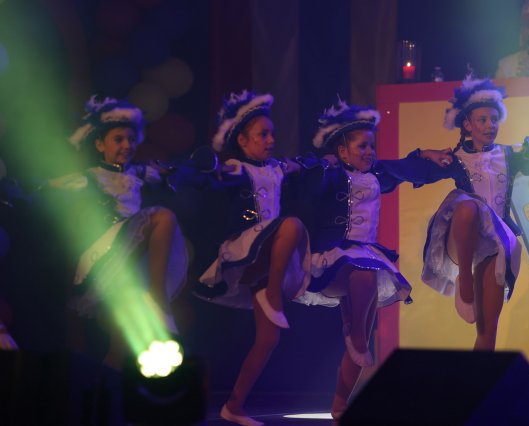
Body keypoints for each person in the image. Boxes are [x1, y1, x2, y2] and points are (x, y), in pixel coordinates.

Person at [381, 77, 529, 350]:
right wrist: (421, 153)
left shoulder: (510, 155)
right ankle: (465, 278)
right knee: (468, 206)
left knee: (487, 329)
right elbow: (411, 171)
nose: (490, 125)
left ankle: (480, 376)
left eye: (494, 119)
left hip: (495, 246)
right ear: (467, 125)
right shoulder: (454, 159)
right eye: (482, 120)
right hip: (463, 240)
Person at [187, 91, 310, 426]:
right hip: (246, 248)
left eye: (272, 134)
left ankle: (234, 406)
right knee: (293, 224)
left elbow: (306, 165)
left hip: (269, 255)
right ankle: (273, 294)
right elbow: (212, 177)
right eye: (262, 135)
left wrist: (321, 162)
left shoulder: (278, 167)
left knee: (269, 338)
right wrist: (207, 168)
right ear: (242, 141)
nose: (271, 140)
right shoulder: (236, 168)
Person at [294, 100, 419, 419]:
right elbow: (307, 185)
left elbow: (407, 167)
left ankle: (340, 404)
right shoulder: (333, 175)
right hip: (333, 260)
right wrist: (320, 165)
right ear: (343, 151)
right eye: (361, 146)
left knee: (364, 316)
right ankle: (357, 334)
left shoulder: (376, 176)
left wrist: (430, 157)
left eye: (371, 146)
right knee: (364, 275)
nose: (369, 152)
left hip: (367, 255)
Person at [53, 96, 188, 367]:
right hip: (106, 253)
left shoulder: (139, 173)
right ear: (100, 144)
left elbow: (178, 173)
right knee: (163, 217)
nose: (127, 145)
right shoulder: (88, 177)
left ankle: (103, 390)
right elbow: (46, 189)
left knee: (121, 347)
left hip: (134, 256)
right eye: (118, 139)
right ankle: (158, 302)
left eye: (131, 139)